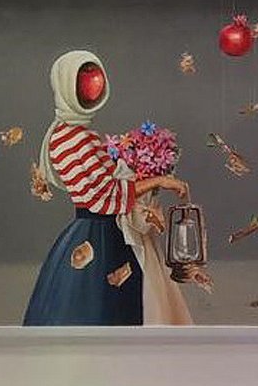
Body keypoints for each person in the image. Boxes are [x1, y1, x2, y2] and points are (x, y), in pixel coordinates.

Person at [24, 50, 188, 326]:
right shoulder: (76, 138)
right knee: (106, 307)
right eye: (84, 82)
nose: (93, 88)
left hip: (94, 230)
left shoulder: (69, 134)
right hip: (99, 233)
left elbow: (107, 185)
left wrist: (138, 169)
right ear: (67, 87)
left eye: (96, 79)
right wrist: (158, 180)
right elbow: (106, 196)